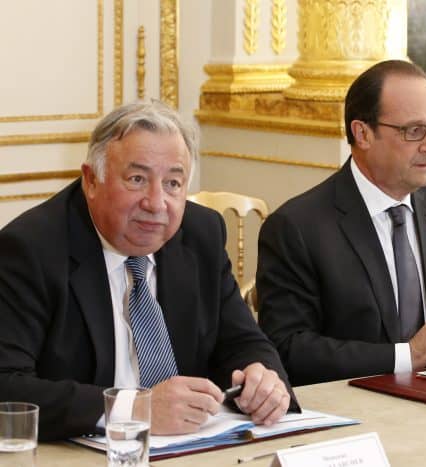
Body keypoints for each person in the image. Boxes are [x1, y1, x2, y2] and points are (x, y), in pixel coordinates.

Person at [0, 100, 297, 441]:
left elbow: (242, 341)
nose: (156, 203)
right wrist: (135, 410)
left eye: (173, 183)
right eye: (137, 179)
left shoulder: (201, 235)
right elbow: (7, 385)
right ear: (91, 180)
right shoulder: (30, 249)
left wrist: (261, 376)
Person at [257, 60, 426, 386]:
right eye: (414, 131)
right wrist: (406, 355)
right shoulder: (297, 227)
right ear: (363, 133)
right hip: (356, 408)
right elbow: (290, 348)